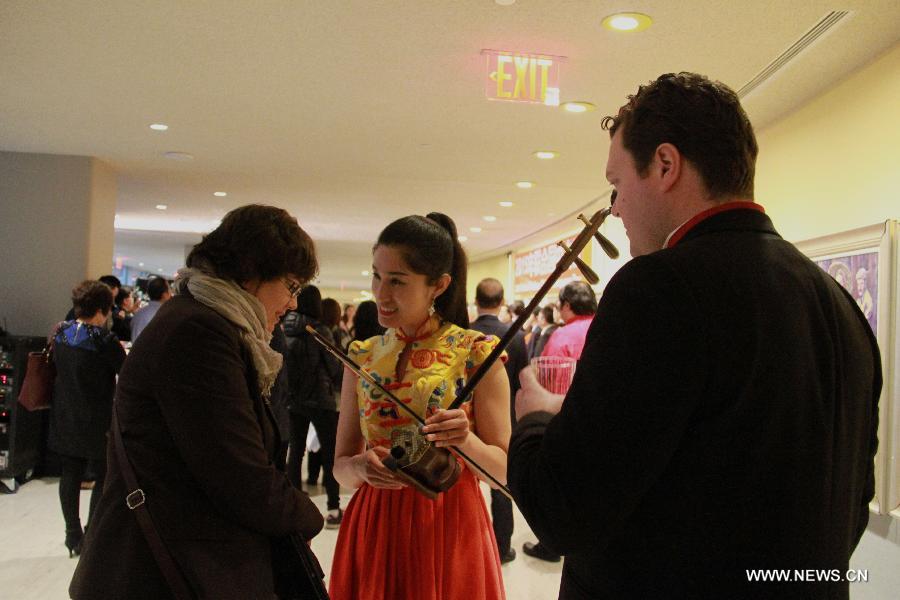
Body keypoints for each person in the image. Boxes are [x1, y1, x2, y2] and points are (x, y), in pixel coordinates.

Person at [508, 72, 881, 599]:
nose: (615, 210)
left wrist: (537, 419)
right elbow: (850, 506)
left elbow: (564, 511)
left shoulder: (658, 286)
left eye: (617, 186)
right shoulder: (838, 302)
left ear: (665, 164)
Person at [70, 205, 325, 599]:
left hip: (180, 562)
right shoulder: (199, 331)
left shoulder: (205, 323)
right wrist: (307, 514)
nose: (292, 303)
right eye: (290, 286)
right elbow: (239, 475)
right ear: (251, 272)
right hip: (163, 572)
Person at [329, 213, 510, 599]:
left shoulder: (477, 353)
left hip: (449, 524)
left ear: (438, 285)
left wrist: (465, 440)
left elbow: (503, 474)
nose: (380, 292)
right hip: (375, 523)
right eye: (376, 276)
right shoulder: (361, 356)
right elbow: (341, 467)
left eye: (397, 281)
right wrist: (359, 467)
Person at [49, 280, 126, 557]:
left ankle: (73, 534)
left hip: (65, 412)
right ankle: (93, 534)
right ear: (103, 308)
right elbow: (126, 371)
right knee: (104, 475)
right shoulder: (103, 340)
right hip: (97, 416)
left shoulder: (61, 333)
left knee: (70, 474)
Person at [470, 277, 528, 564]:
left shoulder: (465, 334)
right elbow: (524, 381)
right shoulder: (515, 335)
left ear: (476, 301)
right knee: (502, 485)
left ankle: (471, 543)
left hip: (468, 422)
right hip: (507, 419)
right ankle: (502, 547)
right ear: (502, 301)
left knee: (466, 483)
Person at [282, 284, 344, 528]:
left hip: (293, 399)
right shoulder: (319, 331)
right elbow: (334, 367)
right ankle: (332, 507)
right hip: (321, 399)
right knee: (330, 454)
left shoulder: (283, 329)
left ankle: (294, 504)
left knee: (295, 452)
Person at [540, 281, 596, 360]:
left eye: (558, 304)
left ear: (566, 305)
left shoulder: (562, 336)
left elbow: (548, 369)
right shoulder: (605, 327)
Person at [129, 276, 171, 341]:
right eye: (169, 290)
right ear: (165, 294)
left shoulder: (139, 314)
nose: (170, 294)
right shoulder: (165, 316)